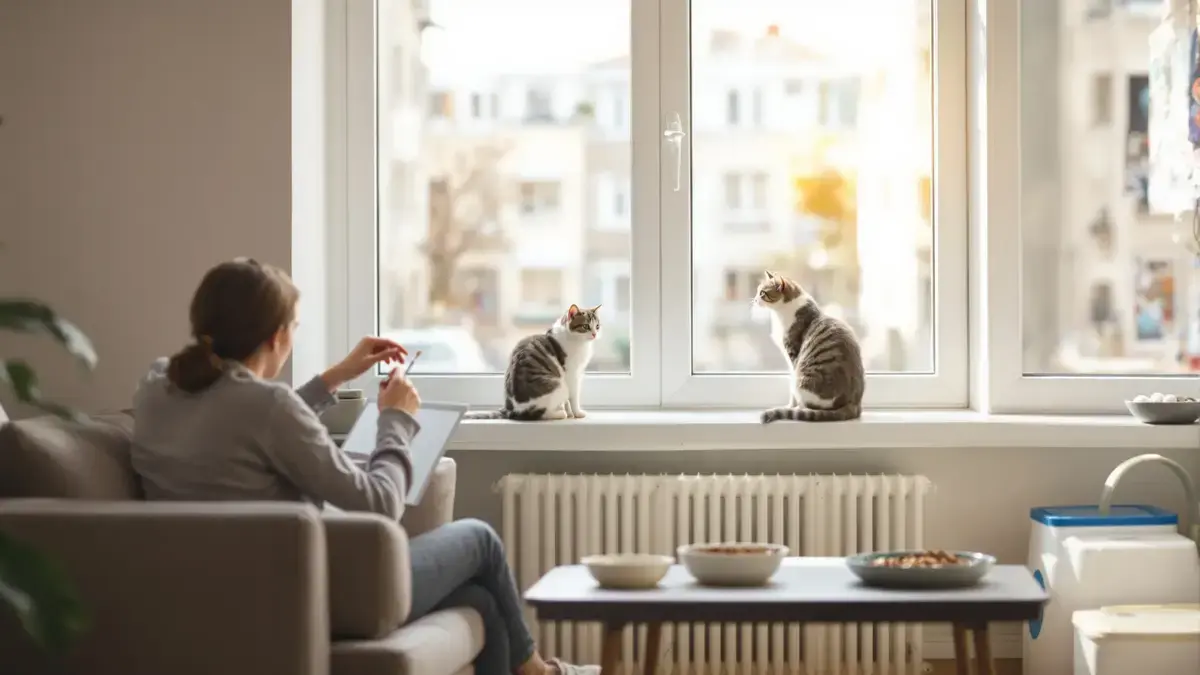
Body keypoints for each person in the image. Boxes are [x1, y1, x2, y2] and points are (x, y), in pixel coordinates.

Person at [132, 258, 598, 675]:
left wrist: (336, 376)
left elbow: (245, 419)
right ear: (277, 337)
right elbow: (378, 506)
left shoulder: (157, 384)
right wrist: (396, 420)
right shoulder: (267, 406)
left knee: (479, 601)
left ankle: (537, 672)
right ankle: (541, 673)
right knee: (480, 540)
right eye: (294, 327)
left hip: (204, 596)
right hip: (302, 596)